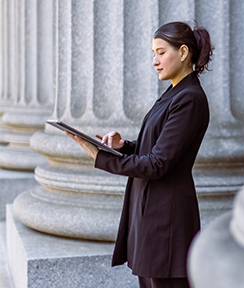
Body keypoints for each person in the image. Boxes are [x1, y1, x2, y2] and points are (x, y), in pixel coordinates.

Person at [67, 21, 213, 288]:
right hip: (151, 215)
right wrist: (123, 146)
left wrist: (100, 157)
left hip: (166, 219)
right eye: (153, 53)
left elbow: (158, 164)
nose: (155, 61)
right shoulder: (174, 93)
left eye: (160, 52)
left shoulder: (189, 98)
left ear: (182, 52)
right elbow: (159, 148)